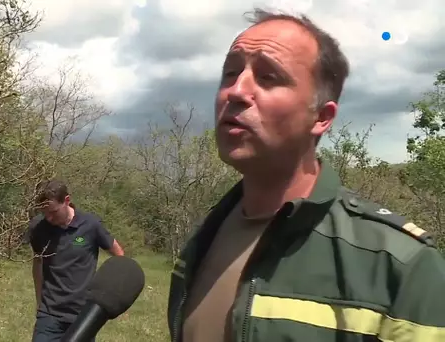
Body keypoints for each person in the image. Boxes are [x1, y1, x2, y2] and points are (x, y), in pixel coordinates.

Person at [167, 7, 445, 342]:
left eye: (268, 76)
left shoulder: (401, 265)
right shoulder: (207, 234)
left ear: (322, 118)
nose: (236, 91)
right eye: (230, 72)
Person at [27, 179, 124, 342]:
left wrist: (113, 296)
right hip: (49, 314)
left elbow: (119, 255)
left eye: (53, 212)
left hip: (83, 316)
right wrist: (39, 301)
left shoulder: (91, 225)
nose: (49, 218)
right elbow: (38, 263)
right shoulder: (38, 227)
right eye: (44, 213)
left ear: (67, 200)